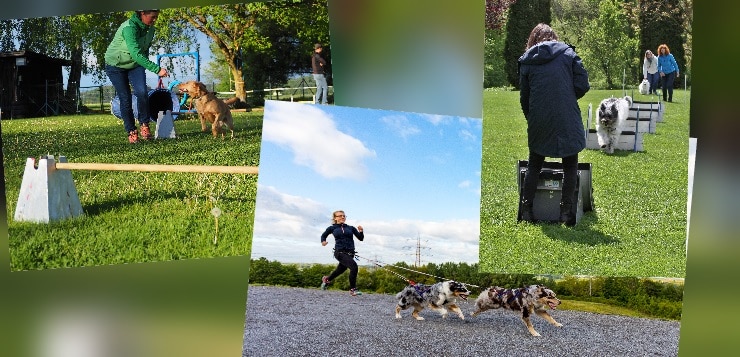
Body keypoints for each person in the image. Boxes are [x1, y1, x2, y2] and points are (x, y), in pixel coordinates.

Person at [517, 23, 590, 226]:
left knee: (535, 163)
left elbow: (525, 97)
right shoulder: (568, 54)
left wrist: (532, 117)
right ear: (554, 37)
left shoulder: (527, 61)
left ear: (533, 39)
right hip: (566, 114)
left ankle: (527, 209)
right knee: (570, 163)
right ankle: (566, 213)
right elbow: (583, 83)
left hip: (538, 117)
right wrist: (566, 96)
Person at [104, 9, 169, 143]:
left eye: (156, 17)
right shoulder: (129, 28)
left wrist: (144, 66)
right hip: (115, 65)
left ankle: (144, 125)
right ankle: (131, 131)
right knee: (125, 98)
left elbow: (144, 50)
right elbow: (136, 53)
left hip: (135, 64)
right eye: (153, 17)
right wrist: (156, 69)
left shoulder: (150, 29)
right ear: (142, 13)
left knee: (142, 92)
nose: (155, 20)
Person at [320, 210, 364, 296]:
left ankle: (327, 280)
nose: (342, 217)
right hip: (339, 252)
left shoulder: (351, 228)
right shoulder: (332, 228)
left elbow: (360, 238)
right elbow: (323, 235)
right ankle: (353, 289)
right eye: (340, 216)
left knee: (339, 270)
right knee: (354, 267)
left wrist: (361, 231)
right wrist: (323, 241)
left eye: (344, 216)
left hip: (351, 253)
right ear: (335, 218)